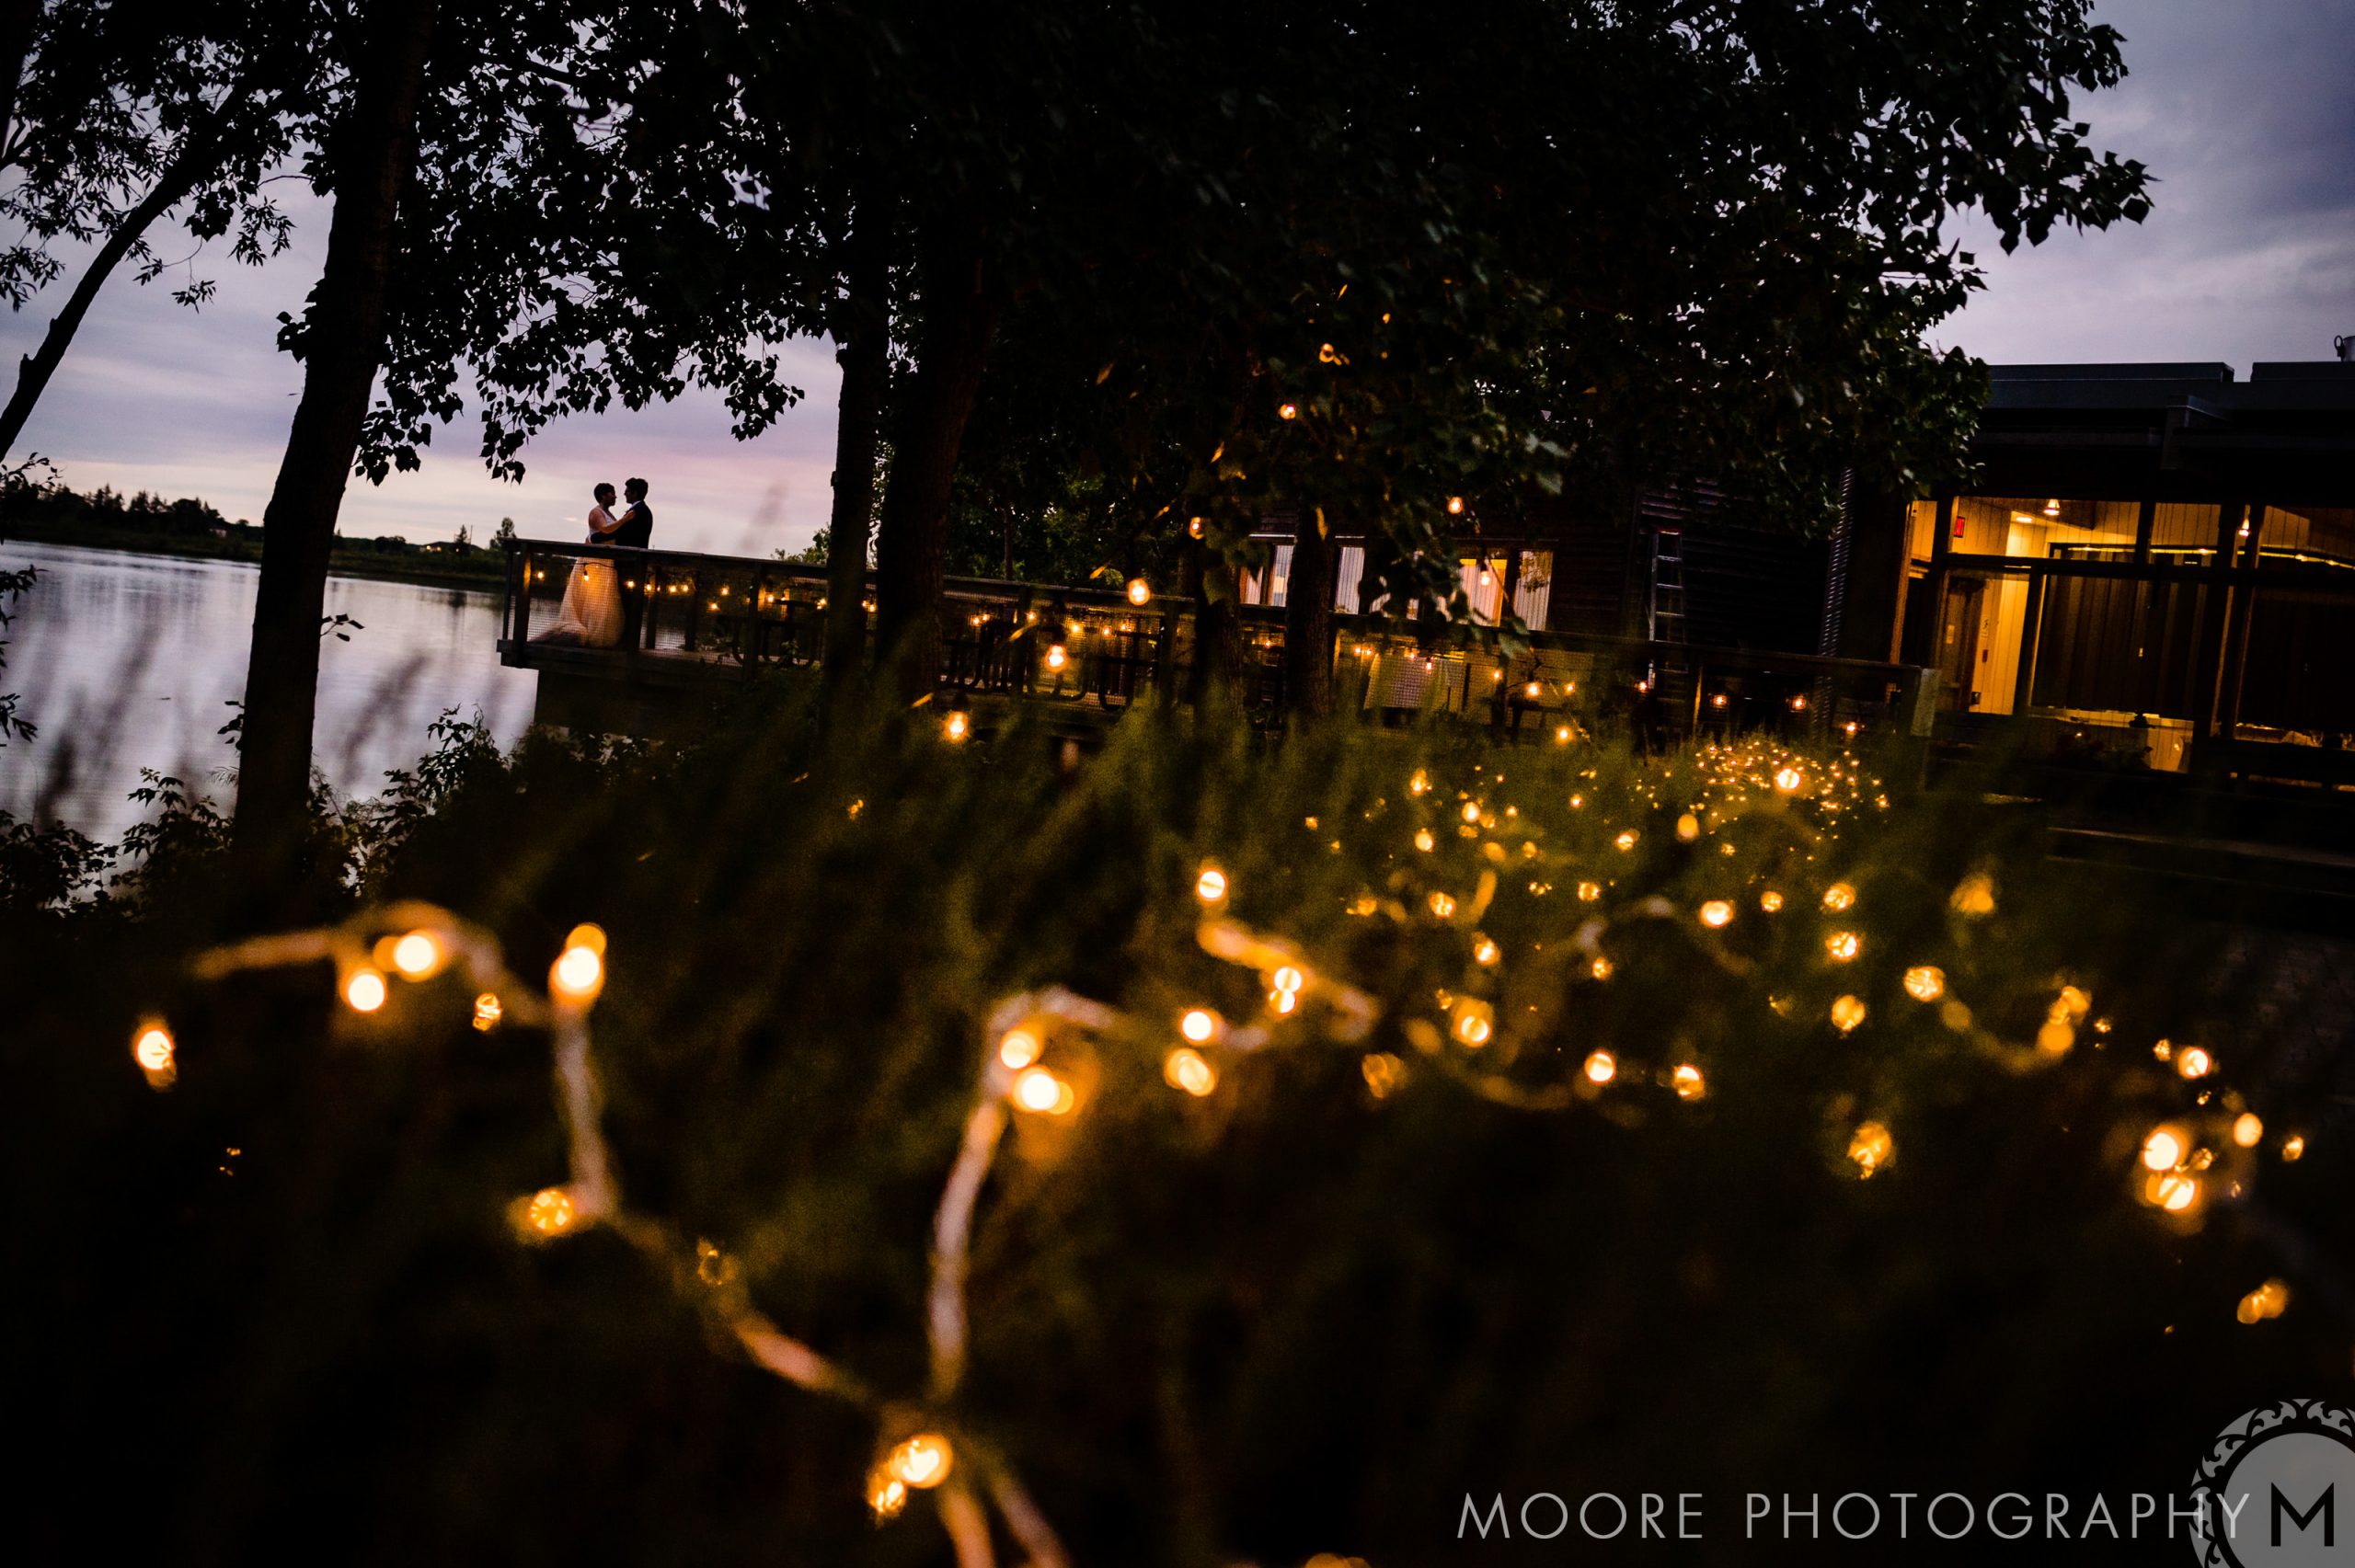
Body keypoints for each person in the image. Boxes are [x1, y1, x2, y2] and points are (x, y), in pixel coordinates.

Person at [534, 483, 626, 646]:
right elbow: (605, 529)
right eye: (612, 493)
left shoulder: (609, 513)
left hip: (607, 561)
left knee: (602, 600)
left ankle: (600, 638)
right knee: (591, 597)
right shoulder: (595, 512)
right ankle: (585, 633)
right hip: (594, 562)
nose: (615, 496)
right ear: (603, 495)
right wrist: (625, 520)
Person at [613, 476, 654, 649]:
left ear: (635, 493)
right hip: (631, 563)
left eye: (627, 491)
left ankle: (628, 641)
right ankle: (628, 639)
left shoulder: (639, 512)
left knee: (629, 602)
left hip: (630, 564)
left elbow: (625, 535)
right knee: (628, 602)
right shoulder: (641, 511)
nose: (624, 494)